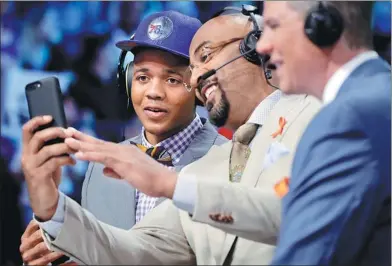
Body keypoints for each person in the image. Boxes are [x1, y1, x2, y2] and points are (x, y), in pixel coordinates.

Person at [24, 7, 321, 265]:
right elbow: (137, 251)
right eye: (142, 77)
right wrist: (52, 208)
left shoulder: (315, 113)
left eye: (205, 56)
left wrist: (170, 185)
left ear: (256, 48)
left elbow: (305, 217)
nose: (196, 77)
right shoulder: (205, 169)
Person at [19, 11, 227, 266]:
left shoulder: (226, 160)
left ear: (199, 85)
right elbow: (101, 253)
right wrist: (61, 248)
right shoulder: (101, 166)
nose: (153, 92)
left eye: (172, 79)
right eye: (142, 77)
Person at [256, 1, 391, 265]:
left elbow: (307, 257)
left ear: (322, 25)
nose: (261, 45)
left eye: (273, 26)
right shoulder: (378, 95)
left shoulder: (351, 119)